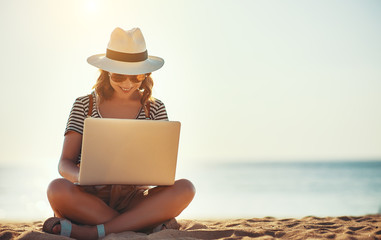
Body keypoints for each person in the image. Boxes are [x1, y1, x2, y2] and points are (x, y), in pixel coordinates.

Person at [43, 27, 196, 240]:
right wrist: (82, 177)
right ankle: (141, 225)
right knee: (56, 189)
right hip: (89, 197)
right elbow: (64, 163)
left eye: (136, 77)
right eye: (119, 76)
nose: (127, 84)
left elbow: (162, 168)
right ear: (106, 72)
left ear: (146, 75)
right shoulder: (83, 104)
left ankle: (93, 231)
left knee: (185, 188)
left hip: (134, 198)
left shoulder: (155, 108)